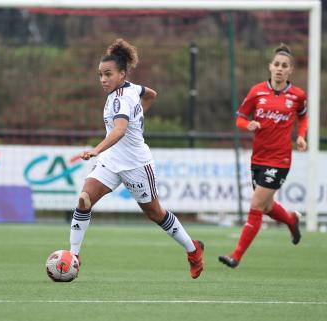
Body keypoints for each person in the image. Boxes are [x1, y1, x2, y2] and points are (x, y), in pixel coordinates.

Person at [69, 39, 204, 279]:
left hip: (136, 164)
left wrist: (96, 149)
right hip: (112, 162)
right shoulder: (131, 88)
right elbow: (151, 94)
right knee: (84, 199)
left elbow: (119, 131)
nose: (103, 79)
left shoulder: (122, 98)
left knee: (155, 214)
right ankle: (73, 257)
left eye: (108, 74)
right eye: (100, 75)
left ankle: (193, 250)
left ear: (122, 74)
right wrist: (139, 113)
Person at [219, 43, 306, 268]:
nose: (279, 68)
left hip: (280, 159)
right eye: (276, 64)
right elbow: (240, 118)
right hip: (258, 158)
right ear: (270, 67)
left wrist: (301, 136)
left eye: (284, 66)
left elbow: (303, 117)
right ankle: (291, 221)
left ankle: (236, 256)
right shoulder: (257, 91)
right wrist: (248, 124)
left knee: (256, 205)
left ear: (290, 70)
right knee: (267, 207)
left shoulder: (297, 96)